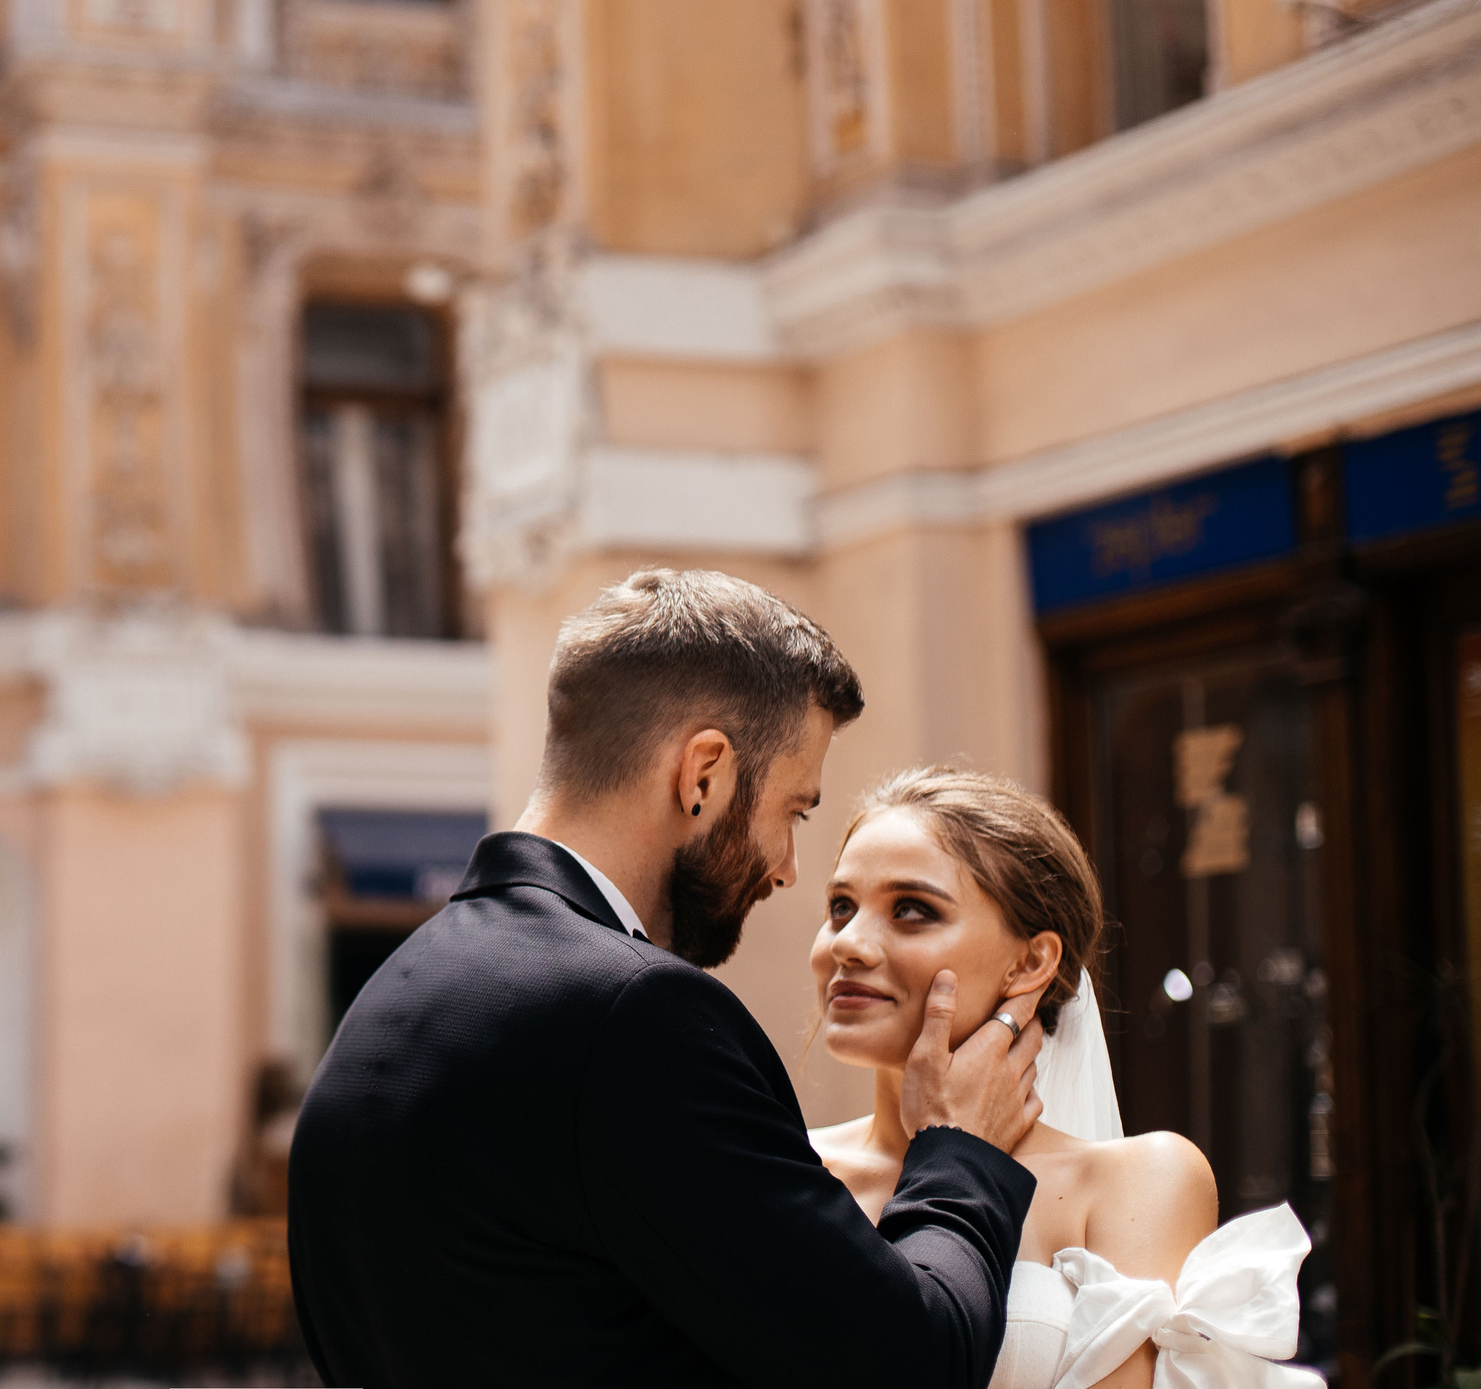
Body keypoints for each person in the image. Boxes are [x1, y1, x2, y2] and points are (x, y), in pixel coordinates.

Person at [288, 568, 1048, 1388]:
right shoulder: (636, 1016)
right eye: (793, 810)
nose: (788, 868)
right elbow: (910, 1363)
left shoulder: (384, 1008)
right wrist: (959, 1149)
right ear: (704, 774)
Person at [808, 766, 1317, 1389]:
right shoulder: (784, 1161)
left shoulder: (1141, 1180)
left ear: (1030, 961)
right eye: (840, 907)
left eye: (912, 910)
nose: (848, 944)